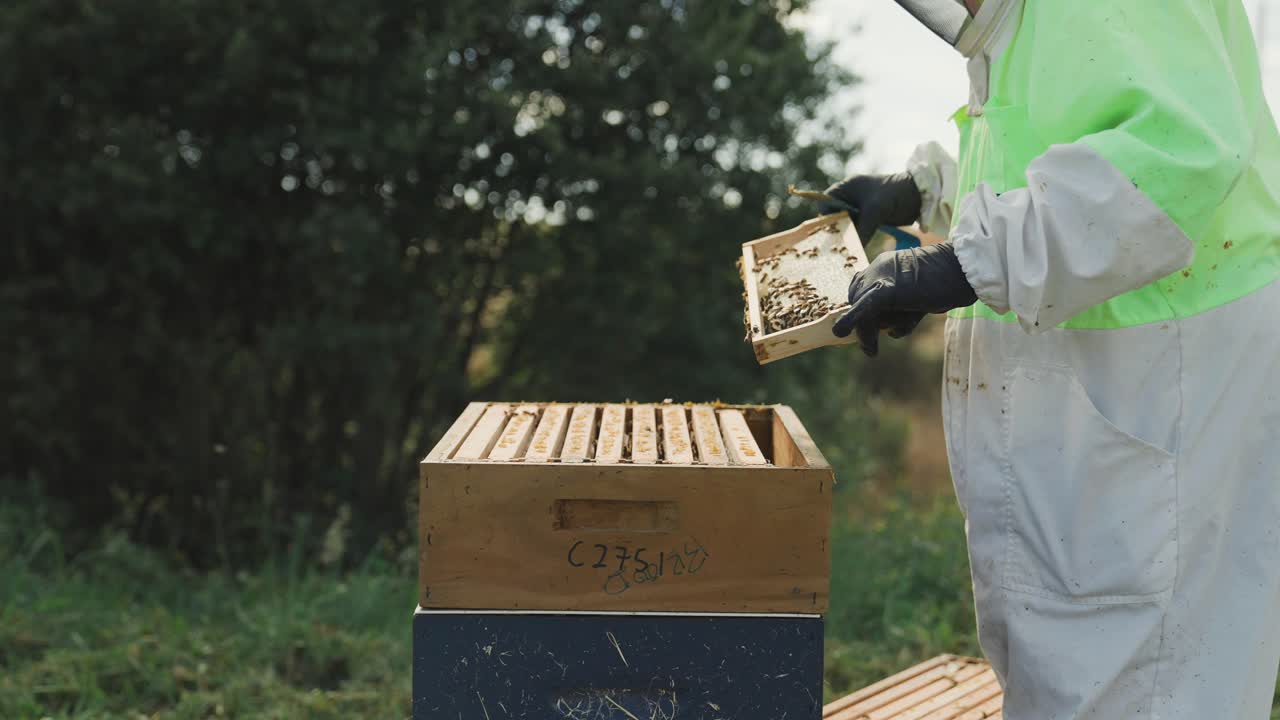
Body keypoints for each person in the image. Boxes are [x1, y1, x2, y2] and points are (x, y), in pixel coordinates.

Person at [821, 1, 1280, 717]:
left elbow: (1180, 150)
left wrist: (965, 266)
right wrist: (926, 192)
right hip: (1103, 408)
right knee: (1071, 670)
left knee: (1143, 685)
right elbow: (1052, 139)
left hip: (1153, 392)